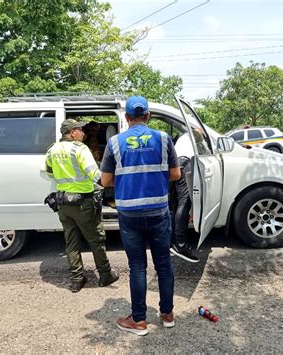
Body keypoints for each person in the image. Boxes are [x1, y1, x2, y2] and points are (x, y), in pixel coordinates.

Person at [100, 96, 181, 336]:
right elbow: (175, 174)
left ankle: (139, 321)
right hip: (158, 210)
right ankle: (167, 315)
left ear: (126, 118)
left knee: (137, 266)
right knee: (164, 264)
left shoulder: (115, 142)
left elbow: (105, 181)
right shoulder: (163, 139)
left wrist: (127, 181)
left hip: (129, 213)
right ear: (148, 116)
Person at [45, 119, 119, 293]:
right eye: (80, 130)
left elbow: (49, 172)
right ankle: (105, 274)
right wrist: (115, 184)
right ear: (72, 133)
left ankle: (77, 279)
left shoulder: (51, 150)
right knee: (96, 239)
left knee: (71, 241)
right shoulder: (80, 149)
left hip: (63, 203)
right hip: (83, 203)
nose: (83, 133)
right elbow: (95, 174)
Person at [170, 132, 200, 263]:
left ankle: (172, 242)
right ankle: (180, 244)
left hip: (176, 164)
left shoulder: (181, 137)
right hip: (184, 163)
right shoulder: (192, 133)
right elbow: (199, 131)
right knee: (184, 202)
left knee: (175, 204)